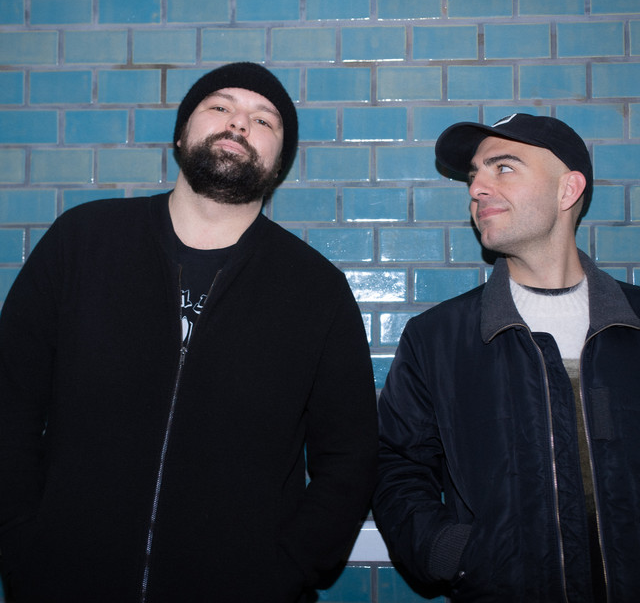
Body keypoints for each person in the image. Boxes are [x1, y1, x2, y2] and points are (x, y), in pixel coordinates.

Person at [0, 62, 378, 603]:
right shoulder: (82, 242)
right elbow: (10, 405)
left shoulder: (316, 290)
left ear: (279, 165)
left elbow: (350, 457)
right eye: (219, 106)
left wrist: (289, 567)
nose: (238, 123)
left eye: (263, 120)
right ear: (180, 134)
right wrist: (21, 545)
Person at [373, 113, 640, 602]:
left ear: (567, 190)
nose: (477, 188)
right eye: (474, 175)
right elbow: (397, 464)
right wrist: (450, 552)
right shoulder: (437, 338)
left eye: (504, 168)